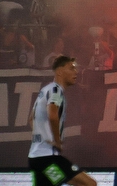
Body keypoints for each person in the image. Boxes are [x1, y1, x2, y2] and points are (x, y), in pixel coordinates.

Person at [28, 56, 96, 186]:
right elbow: (52, 115)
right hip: (49, 159)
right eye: (71, 68)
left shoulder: (45, 90)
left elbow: (31, 119)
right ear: (59, 71)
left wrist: (42, 137)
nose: (76, 72)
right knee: (89, 184)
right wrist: (57, 141)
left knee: (68, 182)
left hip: (37, 159)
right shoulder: (56, 90)